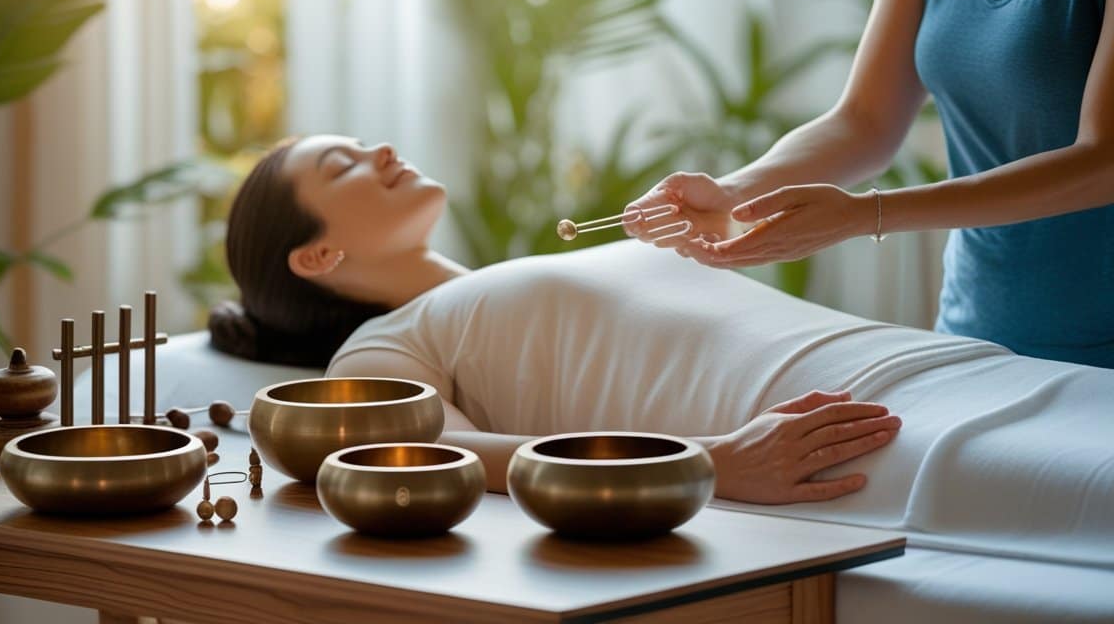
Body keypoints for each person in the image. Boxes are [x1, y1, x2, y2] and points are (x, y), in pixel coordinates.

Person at [626, 0, 1114, 368]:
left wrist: (867, 215)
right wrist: (736, 193)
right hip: (974, 338)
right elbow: (865, 121)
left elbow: (1102, 160)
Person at [210, 135, 912, 503]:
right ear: (318, 255)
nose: (384, 151)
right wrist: (708, 463)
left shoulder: (494, 284)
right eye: (346, 165)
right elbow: (443, 461)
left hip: (913, 364)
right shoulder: (381, 346)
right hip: (829, 433)